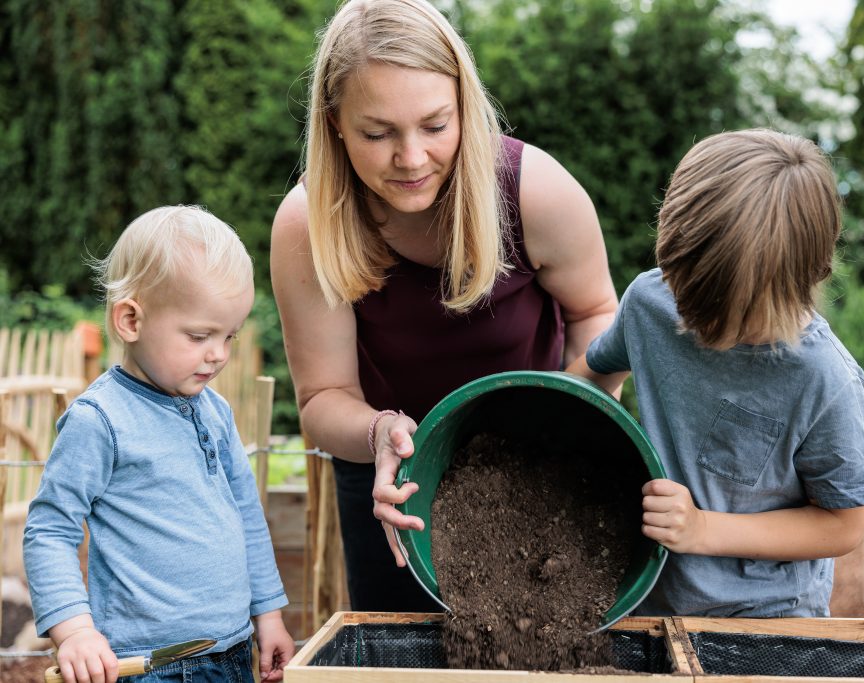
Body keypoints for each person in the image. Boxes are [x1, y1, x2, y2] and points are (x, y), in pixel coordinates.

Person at [271, 0, 618, 612]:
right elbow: (323, 398)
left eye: (435, 126)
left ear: (464, 105)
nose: (410, 158)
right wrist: (380, 433)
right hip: (390, 484)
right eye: (377, 134)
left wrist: (563, 422)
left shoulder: (534, 192)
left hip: (539, 466)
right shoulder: (308, 224)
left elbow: (599, 317)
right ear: (334, 124)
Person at [566, 129, 864, 617]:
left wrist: (702, 529)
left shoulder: (824, 380)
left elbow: (843, 525)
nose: (695, 324)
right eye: (686, 297)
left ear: (802, 283)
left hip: (762, 618)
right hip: (644, 593)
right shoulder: (652, 303)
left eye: (724, 315)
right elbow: (590, 379)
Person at [24, 206, 294, 683]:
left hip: (232, 652)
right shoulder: (100, 420)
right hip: (151, 665)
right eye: (198, 335)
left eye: (229, 336)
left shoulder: (216, 411)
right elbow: (50, 529)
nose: (218, 354)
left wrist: (268, 615)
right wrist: (75, 632)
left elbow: (247, 516)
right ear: (130, 319)